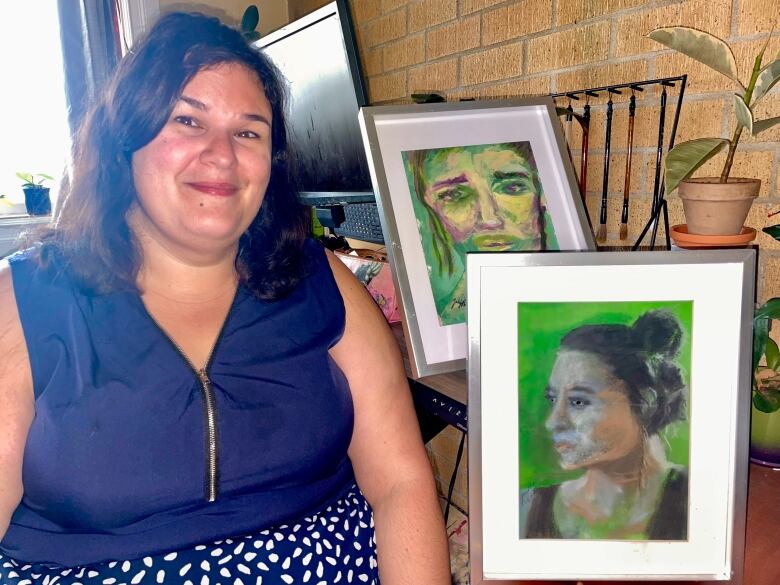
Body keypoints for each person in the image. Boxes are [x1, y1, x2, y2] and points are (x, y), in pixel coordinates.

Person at [0, 12, 450, 585]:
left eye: (248, 131)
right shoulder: (27, 301)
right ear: (124, 139)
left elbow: (400, 483)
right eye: (188, 120)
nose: (221, 155)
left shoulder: (321, 278)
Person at [520, 309, 689, 540]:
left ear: (646, 403)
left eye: (578, 401)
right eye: (552, 399)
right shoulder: (526, 508)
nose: (553, 422)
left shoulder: (700, 501)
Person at [403, 143, 558, 326]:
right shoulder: (444, 329)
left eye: (512, 188)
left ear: (542, 195)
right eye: (454, 195)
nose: (489, 219)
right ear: (432, 209)